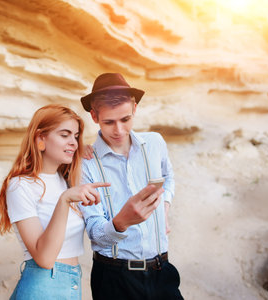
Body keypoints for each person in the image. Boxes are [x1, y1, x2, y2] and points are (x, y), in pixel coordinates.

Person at [78, 73, 183, 299]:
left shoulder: (155, 143)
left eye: (125, 119)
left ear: (134, 108)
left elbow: (168, 177)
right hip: (114, 278)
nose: (119, 130)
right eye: (109, 122)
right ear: (94, 116)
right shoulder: (85, 163)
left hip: (162, 270)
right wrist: (121, 222)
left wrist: (164, 208)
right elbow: (96, 234)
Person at [0, 104, 110, 300]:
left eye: (75, 136)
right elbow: (45, 259)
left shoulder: (65, 181)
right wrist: (64, 201)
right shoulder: (20, 185)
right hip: (42, 287)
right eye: (64, 135)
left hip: (72, 286)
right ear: (40, 138)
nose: (73, 142)